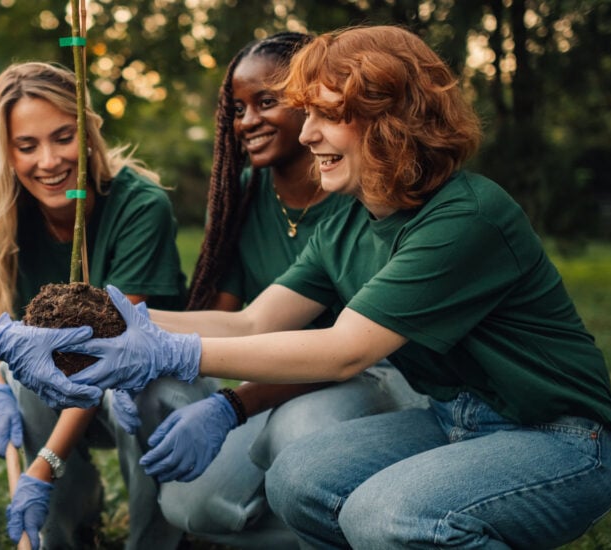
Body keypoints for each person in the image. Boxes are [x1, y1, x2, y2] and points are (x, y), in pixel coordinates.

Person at [8, 26, 611, 549]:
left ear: (393, 120)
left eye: (328, 116)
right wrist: (119, 322)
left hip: (556, 438)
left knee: (385, 516)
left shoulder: (466, 216)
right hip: (453, 420)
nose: (307, 135)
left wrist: (172, 352)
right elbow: (254, 322)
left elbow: (344, 350)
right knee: (298, 482)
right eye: (307, 115)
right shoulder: (349, 221)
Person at [152, 33, 422, 548]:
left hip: (377, 373)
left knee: (301, 432)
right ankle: (342, 529)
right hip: (278, 374)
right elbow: (241, 322)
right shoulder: (241, 197)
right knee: (188, 504)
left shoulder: (362, 194)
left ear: (313, 103)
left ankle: (367, 519)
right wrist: (124, 325)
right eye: (238, 109)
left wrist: (233, 405)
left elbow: (344, 354)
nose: (246, 121)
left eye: (266, 102)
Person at [0, 61, 213, 550]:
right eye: (27, 146)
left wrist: (42, 466)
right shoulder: (0, 214)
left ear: (88, 133)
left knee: (142, 391)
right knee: (22, 374)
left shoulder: (140, 206)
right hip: (63, 386)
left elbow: (112, 353)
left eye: (63, 137)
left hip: (143, 385)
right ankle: (66, 531)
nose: (49, 161)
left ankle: (154, 540)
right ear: (5, 151)